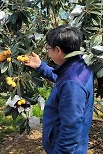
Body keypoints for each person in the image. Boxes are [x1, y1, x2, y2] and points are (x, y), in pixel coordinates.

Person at [25, 25, 94, 154]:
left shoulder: (72, 83)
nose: (47, 51)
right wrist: (40, 66)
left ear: (57, 50)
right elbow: (61, 79)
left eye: (48, 48)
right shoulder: (79, 67)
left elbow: (71, 127)